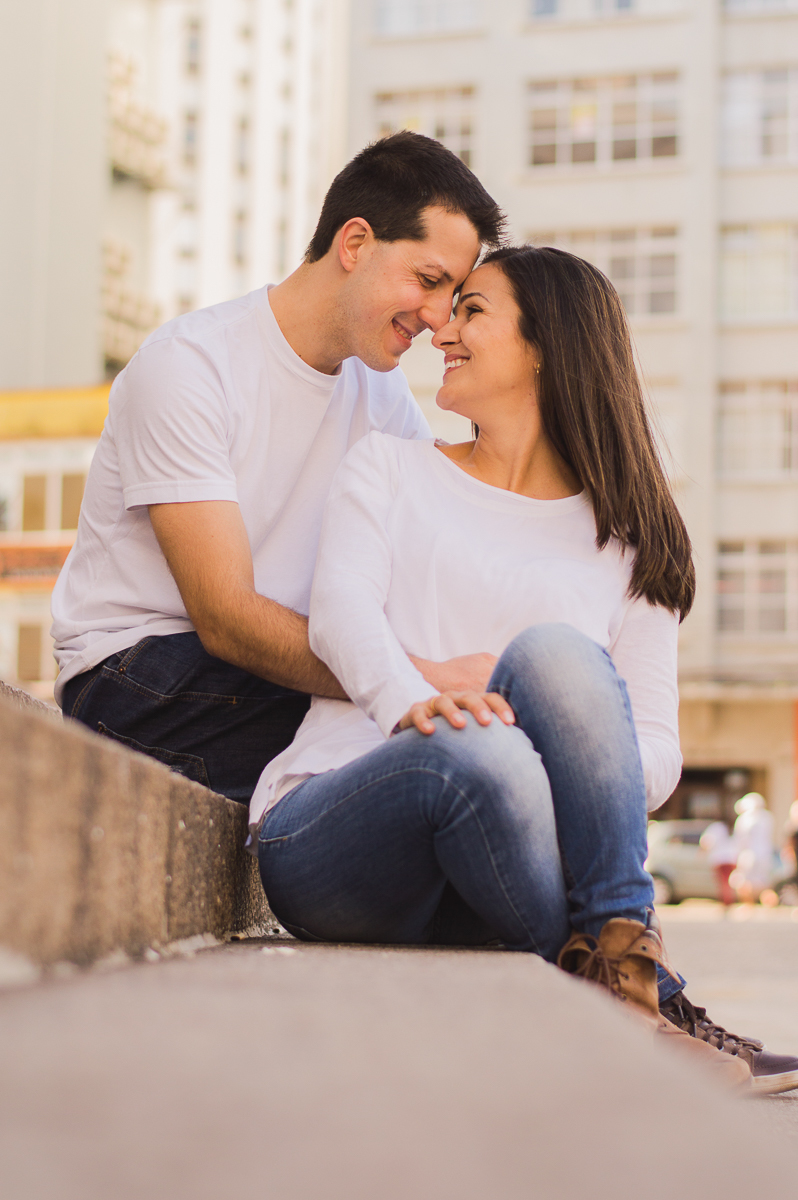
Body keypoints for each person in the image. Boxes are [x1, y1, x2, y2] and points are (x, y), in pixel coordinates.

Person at [251, 245, 798, 1095]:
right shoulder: (391, 467)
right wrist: (422, 702)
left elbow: (652, 759)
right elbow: (342, 619)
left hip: (498, 871)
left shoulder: (633, 541)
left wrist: (546, 731)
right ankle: (652, 998)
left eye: (471, 310)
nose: (443, 331)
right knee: (476, 750)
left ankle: (622, 993)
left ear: (545, 345)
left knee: (554, 659)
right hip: (338, 830)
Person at [51, 132, 504, 802]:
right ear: (353, 244)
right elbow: (226, 615)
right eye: (429, 281)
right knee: (433, 736)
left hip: (269, 674)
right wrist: (423, 678)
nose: (440, 319)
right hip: (136, 677)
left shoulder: (381, 398)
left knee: (475, 731)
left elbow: (437, 554)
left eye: (455, 292)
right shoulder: (190, 364)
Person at [731, 793, 775, 903]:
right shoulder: (768, 817)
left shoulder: (744, 819)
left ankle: (748, 904)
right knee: (763, 882)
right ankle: (768, 903)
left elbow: (740, 840)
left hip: (749, 855)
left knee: (744, 882)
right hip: (765, 855)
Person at [700, 820, 738, 906]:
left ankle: (726, 902)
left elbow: (707, 842)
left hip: (720, 859)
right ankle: (728, 901)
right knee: (727, 881)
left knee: (723, 882)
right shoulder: (725, 829)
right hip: (731, 858)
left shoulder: (714, 828)